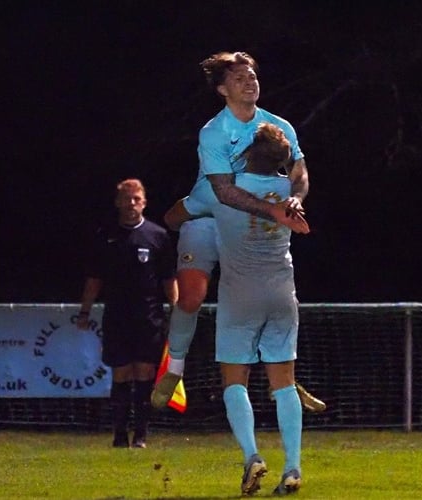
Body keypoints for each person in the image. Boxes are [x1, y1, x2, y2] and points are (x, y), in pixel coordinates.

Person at [151, 50, 325, 413]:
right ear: (221, 90)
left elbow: (300, 173)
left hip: (250, 221)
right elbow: (221, 193)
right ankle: (175, 368)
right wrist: (274, 209)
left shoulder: (279, 126)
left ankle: (286, 378)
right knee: (192, 297)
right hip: (213, 215)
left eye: (252, 77)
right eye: (239, 79)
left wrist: (294, 198)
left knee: (265, 299)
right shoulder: (214, 132)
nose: (249, 83)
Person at [166, 123, 304, 495]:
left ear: (245, 153)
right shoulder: (288, 190)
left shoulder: (222, 190)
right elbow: (300, 176)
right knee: (284, 384)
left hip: (241, 294)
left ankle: (252, 457)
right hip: (282, 293)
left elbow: (175, 216)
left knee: (234, 382)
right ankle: (292, 466)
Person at [77, 178, 178, 449]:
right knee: (120, 374)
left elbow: (169, 279)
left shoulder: (158, 236)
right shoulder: (106, 236)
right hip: (116, 317)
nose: (131, 204)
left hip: (149, 317)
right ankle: (120, 434)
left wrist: (177, 312)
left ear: (144, 202)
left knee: (145, 373)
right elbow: (94, 279)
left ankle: (141, 435)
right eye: (126, 199)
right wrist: (84, 311)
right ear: (117, 202)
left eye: (136, 199)